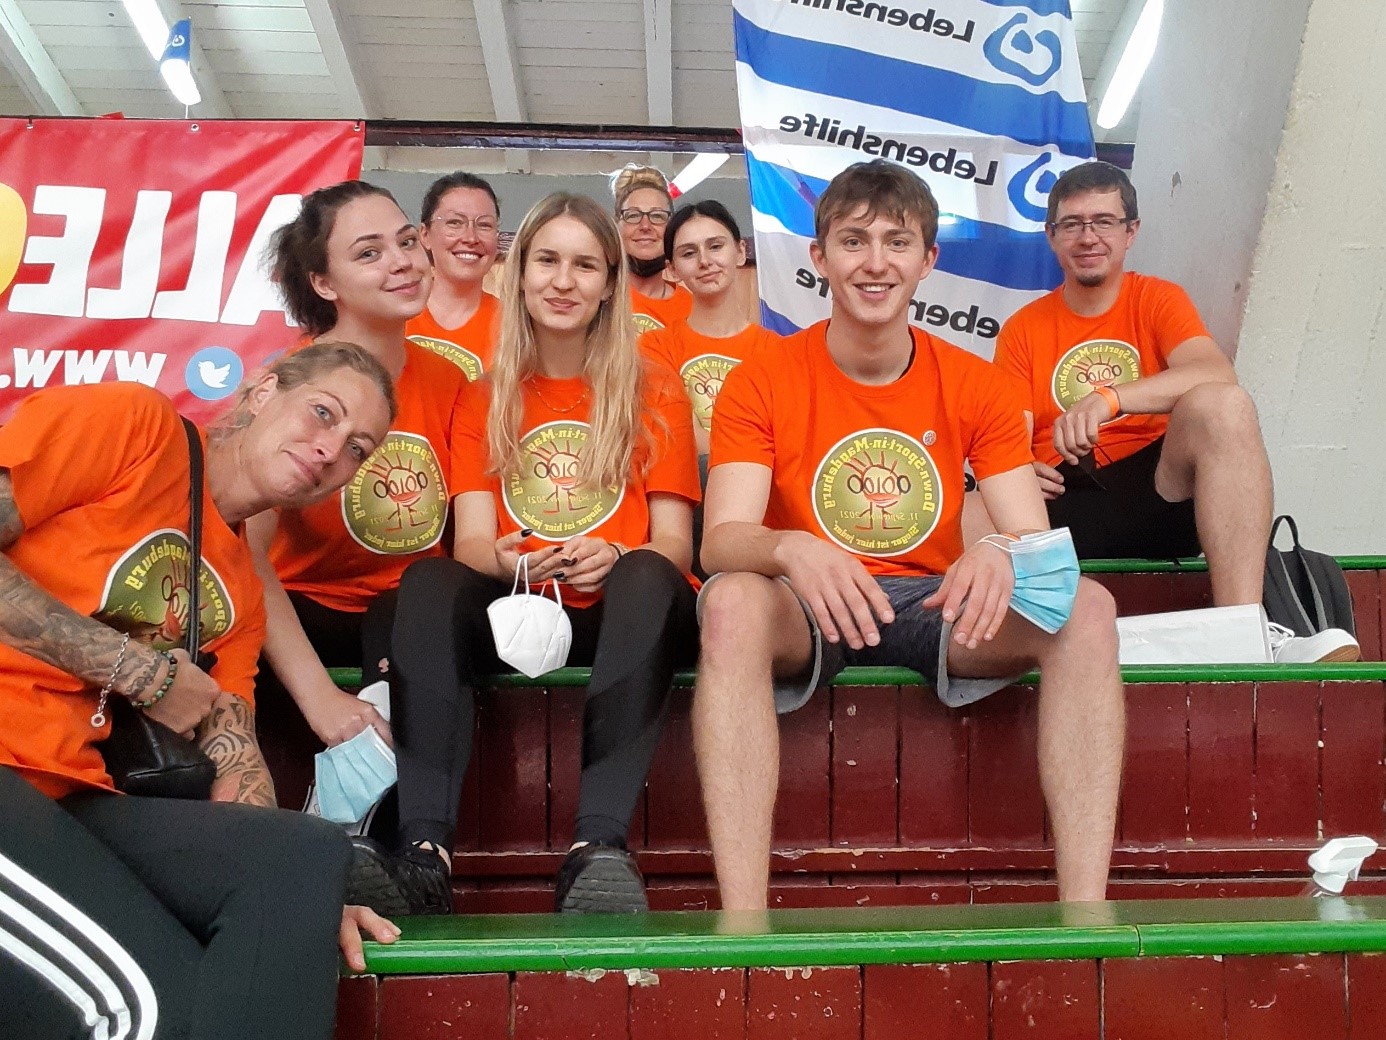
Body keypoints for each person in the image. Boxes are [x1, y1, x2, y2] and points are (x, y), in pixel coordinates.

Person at [693, 159, 1124, 912]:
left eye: (897, 242)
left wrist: (998, 549)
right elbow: (722, 539)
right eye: (853, 241)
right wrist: (791, 546)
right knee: (730, 602)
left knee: (1086, 609)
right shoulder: (760, 377)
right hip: (811, 600)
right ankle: (744, 921)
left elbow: (1034, 537)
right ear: (819, 257)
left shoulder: (977, 383)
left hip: (935, 602)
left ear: (928, 260)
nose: (875, 262)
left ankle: (1085, 914)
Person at [0, 344, 401, 1040]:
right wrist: (139, 671)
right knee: (144, 1011)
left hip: (69, 796)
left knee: (299, 857)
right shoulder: (136, 427)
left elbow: (231, 748)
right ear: (262, 392)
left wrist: (302, 906)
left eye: (357, 449)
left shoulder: (239, 588)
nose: (331, 448)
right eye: (323, 413)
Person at [348, 193, 701, 917]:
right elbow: (473, 543)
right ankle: (423, 853)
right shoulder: (484, 395)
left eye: (585, 265)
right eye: (547, 261)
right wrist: (512, 561)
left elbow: (674, 543)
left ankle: (597, 846)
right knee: (429, 579)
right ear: (520, 274)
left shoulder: (655, 386)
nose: (563, 281)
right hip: (521, 609)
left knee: (646, 571)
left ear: (610, 283)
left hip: (625, 614)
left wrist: (616, 549)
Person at [993, 160, 1358, 663]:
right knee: (980, 498)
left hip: (1156, 494)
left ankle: (1244, 631)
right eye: (1072, 224)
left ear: (1131, 232)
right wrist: (1017, 468)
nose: (1088, 237)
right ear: (1051, 236)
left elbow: (1216, 371)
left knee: (1224, 404)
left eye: (1104, 222)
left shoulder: (1157, 298)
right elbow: (1006, 433)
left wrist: (1109, 398)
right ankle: (995, 649)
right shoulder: (1023, 327)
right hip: (1062, 507)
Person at [250, 180, 470, 766]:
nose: (402, 262)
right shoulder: (288, 384)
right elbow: (242, 553)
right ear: (324, 284)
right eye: (369, 253)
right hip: (299, 618)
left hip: (412, 624)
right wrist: (320, 697)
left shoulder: (452, 382)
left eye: (407, 242)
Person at [641, 200, 781, 574]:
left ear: (740, 252)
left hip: (757, 504)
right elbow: (674, 434)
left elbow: (784, 443)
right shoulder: (654, 346)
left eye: (715, 246)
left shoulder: (778, 352)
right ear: (672, 269)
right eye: (689, 253)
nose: (705, 261)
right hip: (683, 500)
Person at [406, 171, 503, 381]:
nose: (470, 238)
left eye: (484, 225)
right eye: (455, 223)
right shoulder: (393, 312)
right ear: (424, 234)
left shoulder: (514, 326)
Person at [613, 165, 694, 333]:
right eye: (633, 215)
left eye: (657, 216)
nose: (645, 226)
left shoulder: (692, 309)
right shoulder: (597, 296)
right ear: (616, 225)